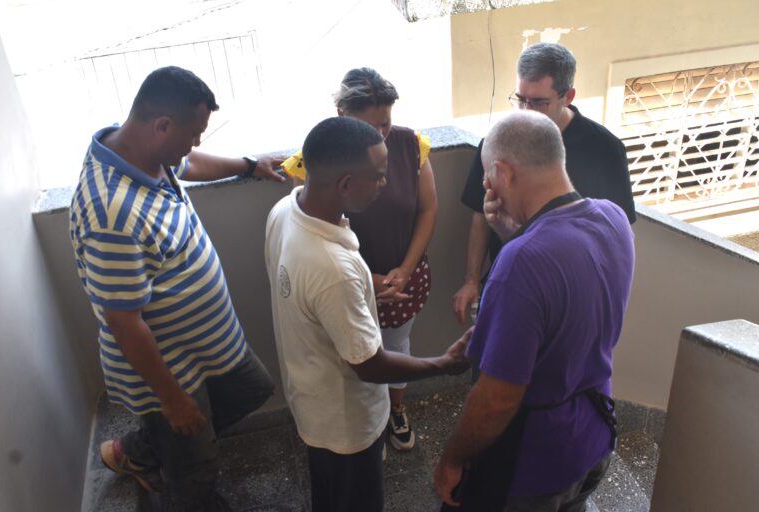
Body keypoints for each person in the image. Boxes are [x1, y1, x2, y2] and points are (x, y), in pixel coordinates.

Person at [69, 66, 285, 511]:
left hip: (207, 347)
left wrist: (249, 165)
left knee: (251, 389)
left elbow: (191, 164)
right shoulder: (111, 214)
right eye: (194, 133)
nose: (196, 143)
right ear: (162, 125)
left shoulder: (146, 152)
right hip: (170, 371)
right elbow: (124, 324)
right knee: (195, 468)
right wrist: (173, 401)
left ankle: (142, 450)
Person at [434, 110, 635, 511]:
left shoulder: (521, 263)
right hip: (594, 436)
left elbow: (497, 399)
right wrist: (513, 234)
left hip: (535, 463)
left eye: (489, 179)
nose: (488, 188)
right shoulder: (612, 217)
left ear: (503, 172)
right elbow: (566, 290)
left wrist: (452, 459)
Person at [265, 116, 469, 512]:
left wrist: (362, 285)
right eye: (378, 176)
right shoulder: (333, 271)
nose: (385, 183)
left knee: (330, 495)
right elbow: (370, 365)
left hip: (311, 401)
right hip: (348, 425)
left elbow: (310, 291)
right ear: (344, 184)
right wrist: (443, 364)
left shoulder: (285, 211)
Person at [282, 68, 438, 452]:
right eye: (369, 126)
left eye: (385, 123)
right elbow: (313, 229)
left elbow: (427, 210)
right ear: (341, 115)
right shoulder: (318, 159)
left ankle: (396, 410)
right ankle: (369, 424)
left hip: (402, 279)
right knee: (356, 357)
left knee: (397, 346)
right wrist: (370, 279)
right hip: (346, 284)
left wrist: (404, 271)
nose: (380, 135)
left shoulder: (411, 145)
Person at [453, 42, 636, 325]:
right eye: (520, 99)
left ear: (568, 96)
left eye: (539, 102)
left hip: (572, 296)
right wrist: (471, 280)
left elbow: (617, 236)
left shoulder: (605, 150)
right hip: (509, 282)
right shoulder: (499, 142)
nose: (527, 111)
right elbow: (480, 216)